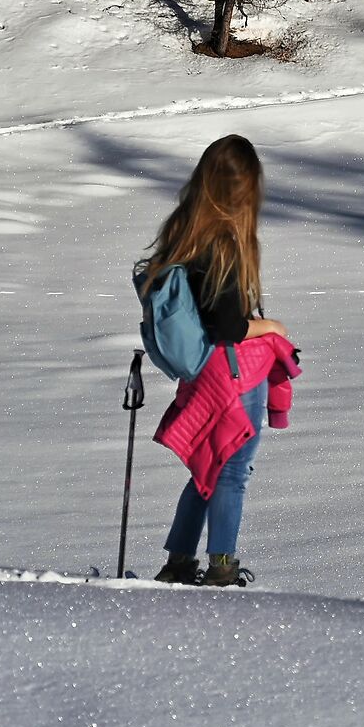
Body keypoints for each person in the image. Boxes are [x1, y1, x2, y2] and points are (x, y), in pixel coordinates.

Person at [134, 134, 298, 587]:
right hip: (233, 372)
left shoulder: (186, 229)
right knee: (232, 470)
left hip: (203, 371)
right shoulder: (223, 242)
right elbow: (227, 325)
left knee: (210, 468)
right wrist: (272, 327)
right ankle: (222, 565)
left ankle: (179, 561)